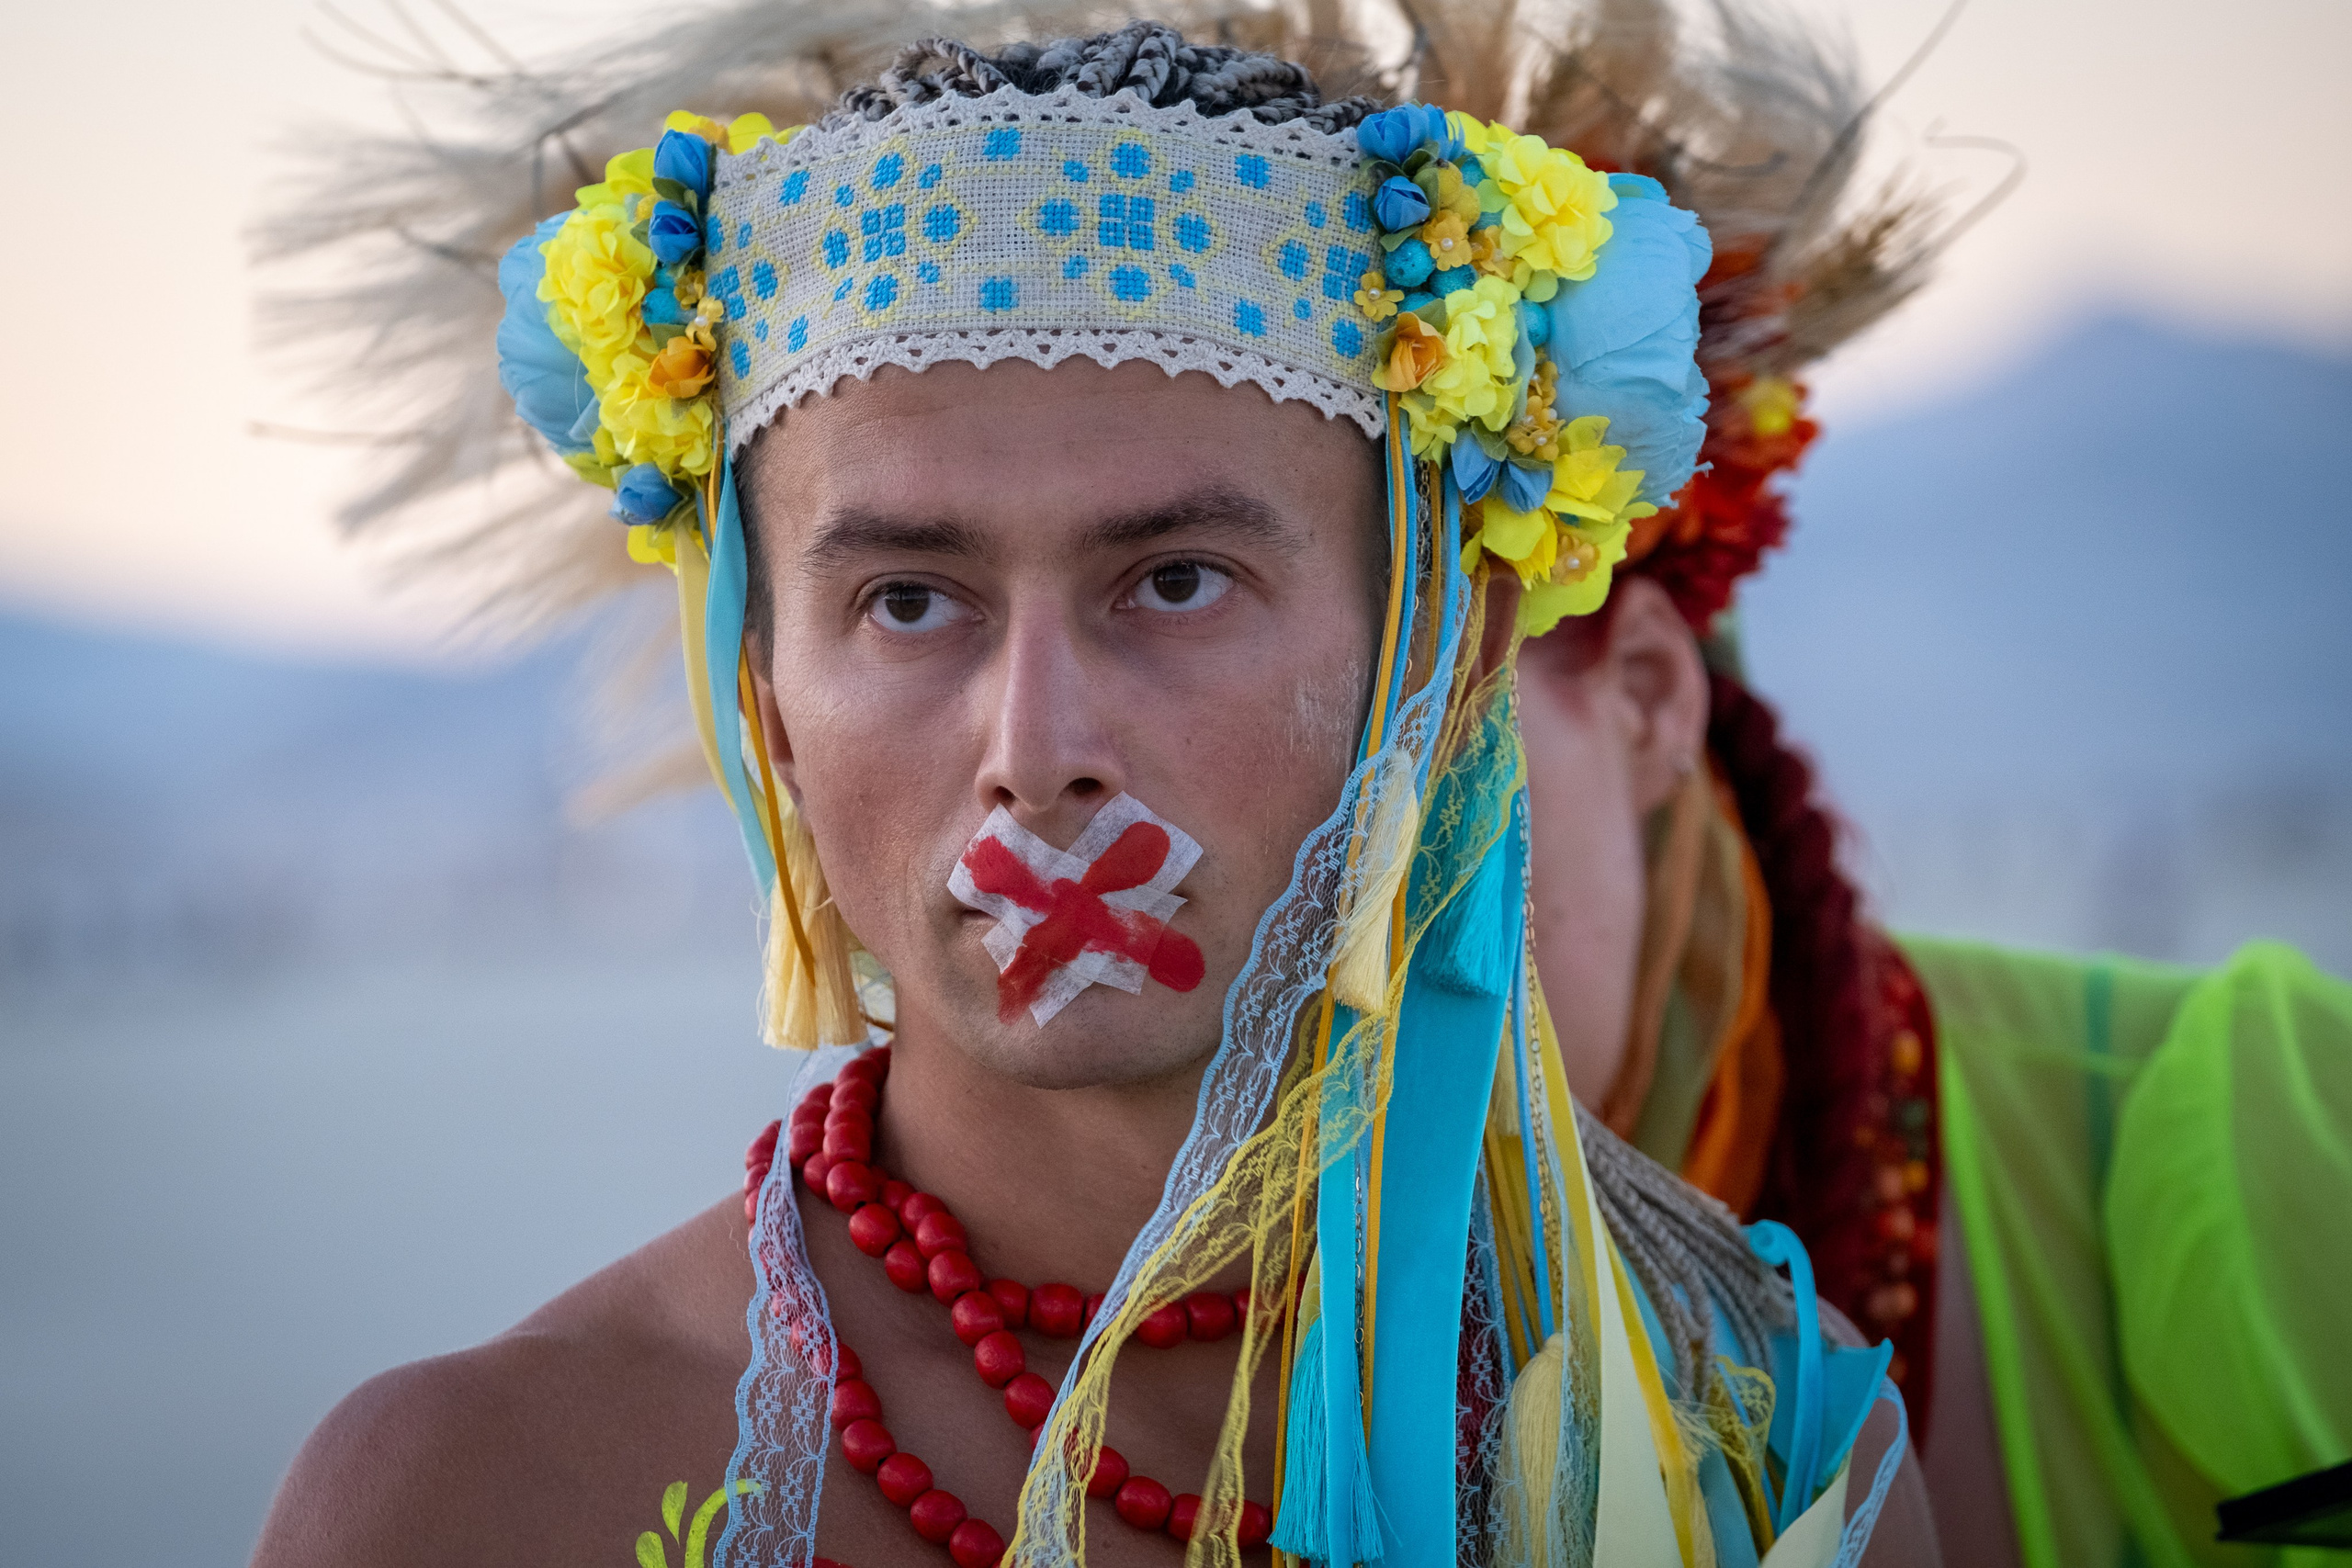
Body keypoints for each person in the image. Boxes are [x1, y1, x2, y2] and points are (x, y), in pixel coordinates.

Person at [249, 6, 1948, 1565]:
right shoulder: (481, 1494)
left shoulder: (1762, 1447)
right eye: (910, 603)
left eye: (1176, 581)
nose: (1033, 742)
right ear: (764, 695)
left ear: (1442, 650)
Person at [1503, 23, 2352, 1568]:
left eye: (1405, 760)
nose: (1331, 915)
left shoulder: (2258, 1147)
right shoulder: (1055, 1335)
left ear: (1642, 699)